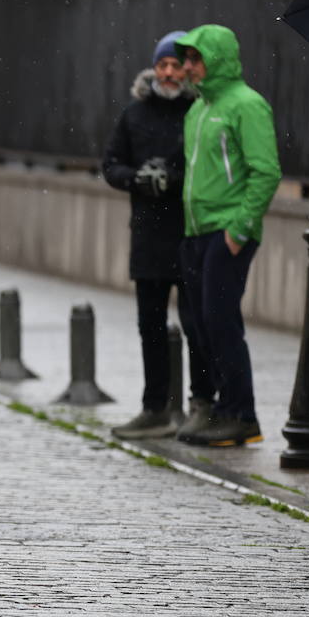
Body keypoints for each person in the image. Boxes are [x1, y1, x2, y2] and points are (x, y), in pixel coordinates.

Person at [102, 30, 215, 439]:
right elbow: (111, 164)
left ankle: (202, 402)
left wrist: (174, 179)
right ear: (154, 69)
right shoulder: (134, 114)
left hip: (188, 232)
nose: (168, 73)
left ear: (186, 71)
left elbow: (207, 168)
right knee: (149, 324)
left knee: (195, 324)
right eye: (162, 65)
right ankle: (154, 407)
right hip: (147, 236)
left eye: (175, 66)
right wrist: (139, 179)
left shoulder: (199, 111)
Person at [174, 24, 281, 447]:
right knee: (199, 324)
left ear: (215, 59)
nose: (187, 67)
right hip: (196, 231)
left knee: (221, 323)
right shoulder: (197, 110)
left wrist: (238, 230)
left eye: (194, 58)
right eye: (185, 59)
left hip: (227, 231)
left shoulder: (246, 105)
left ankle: (243, 414)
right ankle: (222, 408)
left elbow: (266, 171)